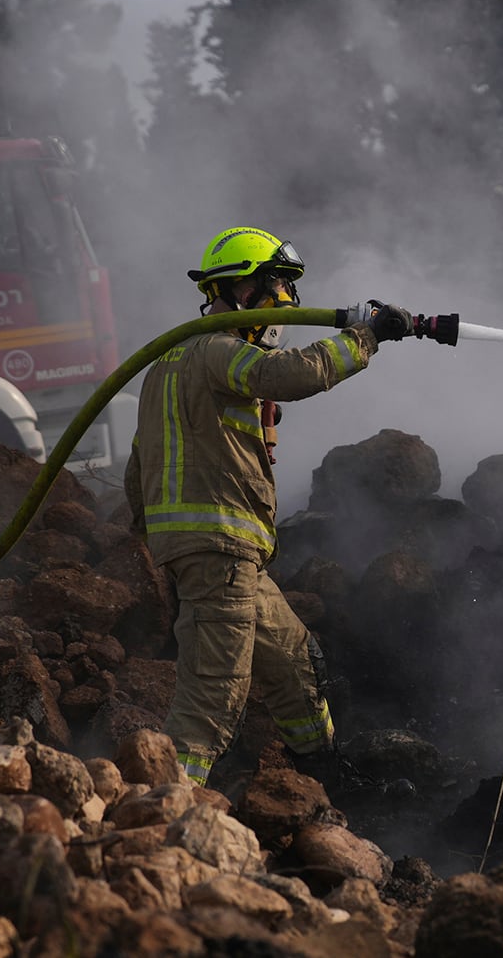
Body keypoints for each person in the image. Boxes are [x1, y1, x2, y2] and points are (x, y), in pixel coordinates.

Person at [123, 226, 411, 787]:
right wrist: (365, 337)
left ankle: (326, 783)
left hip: (227, 557)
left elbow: (139, 468)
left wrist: (162, 541)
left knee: (296, 663)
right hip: (218, 552)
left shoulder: (166, 365)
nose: (287, 300)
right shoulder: (218, 350)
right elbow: (285, 373)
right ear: (240, 288)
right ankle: (160, 812)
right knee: (212, 700)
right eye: (278, 284)